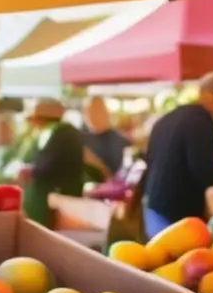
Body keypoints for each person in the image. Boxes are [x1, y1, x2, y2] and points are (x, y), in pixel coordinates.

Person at [142, 72, 213, 239]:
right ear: (211, 94)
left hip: (154, 202)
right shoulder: (201, 120)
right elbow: (201, 165)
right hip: (179, 206)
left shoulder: (168, 117)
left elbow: (148, 156)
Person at [19, 98, 86, 228]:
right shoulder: (64, 131)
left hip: (56, 198)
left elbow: (49, 165)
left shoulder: (59, 133)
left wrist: (31, 170)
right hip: (62, 196)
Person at [82, 96, 130, 176]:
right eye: (88, 112)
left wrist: (97, 165)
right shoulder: (81, 140)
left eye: (97, 111)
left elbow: (121, 177)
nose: (92, 116)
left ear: (107, 113)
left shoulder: (121, 142)